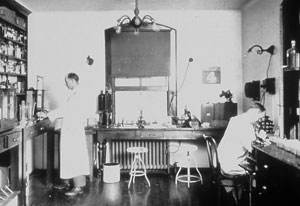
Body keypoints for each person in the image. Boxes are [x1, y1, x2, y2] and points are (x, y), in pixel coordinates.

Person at [46, 72, 90, 197]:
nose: (65, 84)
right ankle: (70, 183)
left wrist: (49, 115)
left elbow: (66, 110)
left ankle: (77, 187)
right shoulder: (75, 93)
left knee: (75, 157)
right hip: (71, 128)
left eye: (66, 82)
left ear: (72, 80)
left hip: (73, 129)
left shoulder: (77, 94)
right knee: (71, 157)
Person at [217, 102, 267, 203]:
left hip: (222, 159)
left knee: (252, 167)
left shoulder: (237, 119)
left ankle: (238, 197)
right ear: (254, 113)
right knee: (257, 172)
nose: (259, 120)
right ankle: (249, 200)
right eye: (259, 117)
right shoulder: (245, 124)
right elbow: (251, 147)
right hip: (230, 163)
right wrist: (262, 138)